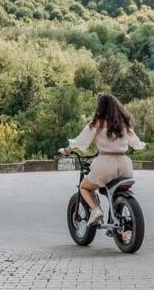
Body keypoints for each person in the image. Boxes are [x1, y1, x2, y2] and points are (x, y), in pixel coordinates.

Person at [59, 94, 146, 227]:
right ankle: (117, 214)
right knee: (113, 189)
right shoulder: (123, 123)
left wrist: (66, 150)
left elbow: (80, 141)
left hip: (105, 164)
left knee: (84, 187)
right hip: (125, 164)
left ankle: (96, 210)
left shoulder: (97, 122)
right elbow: (135, 143)